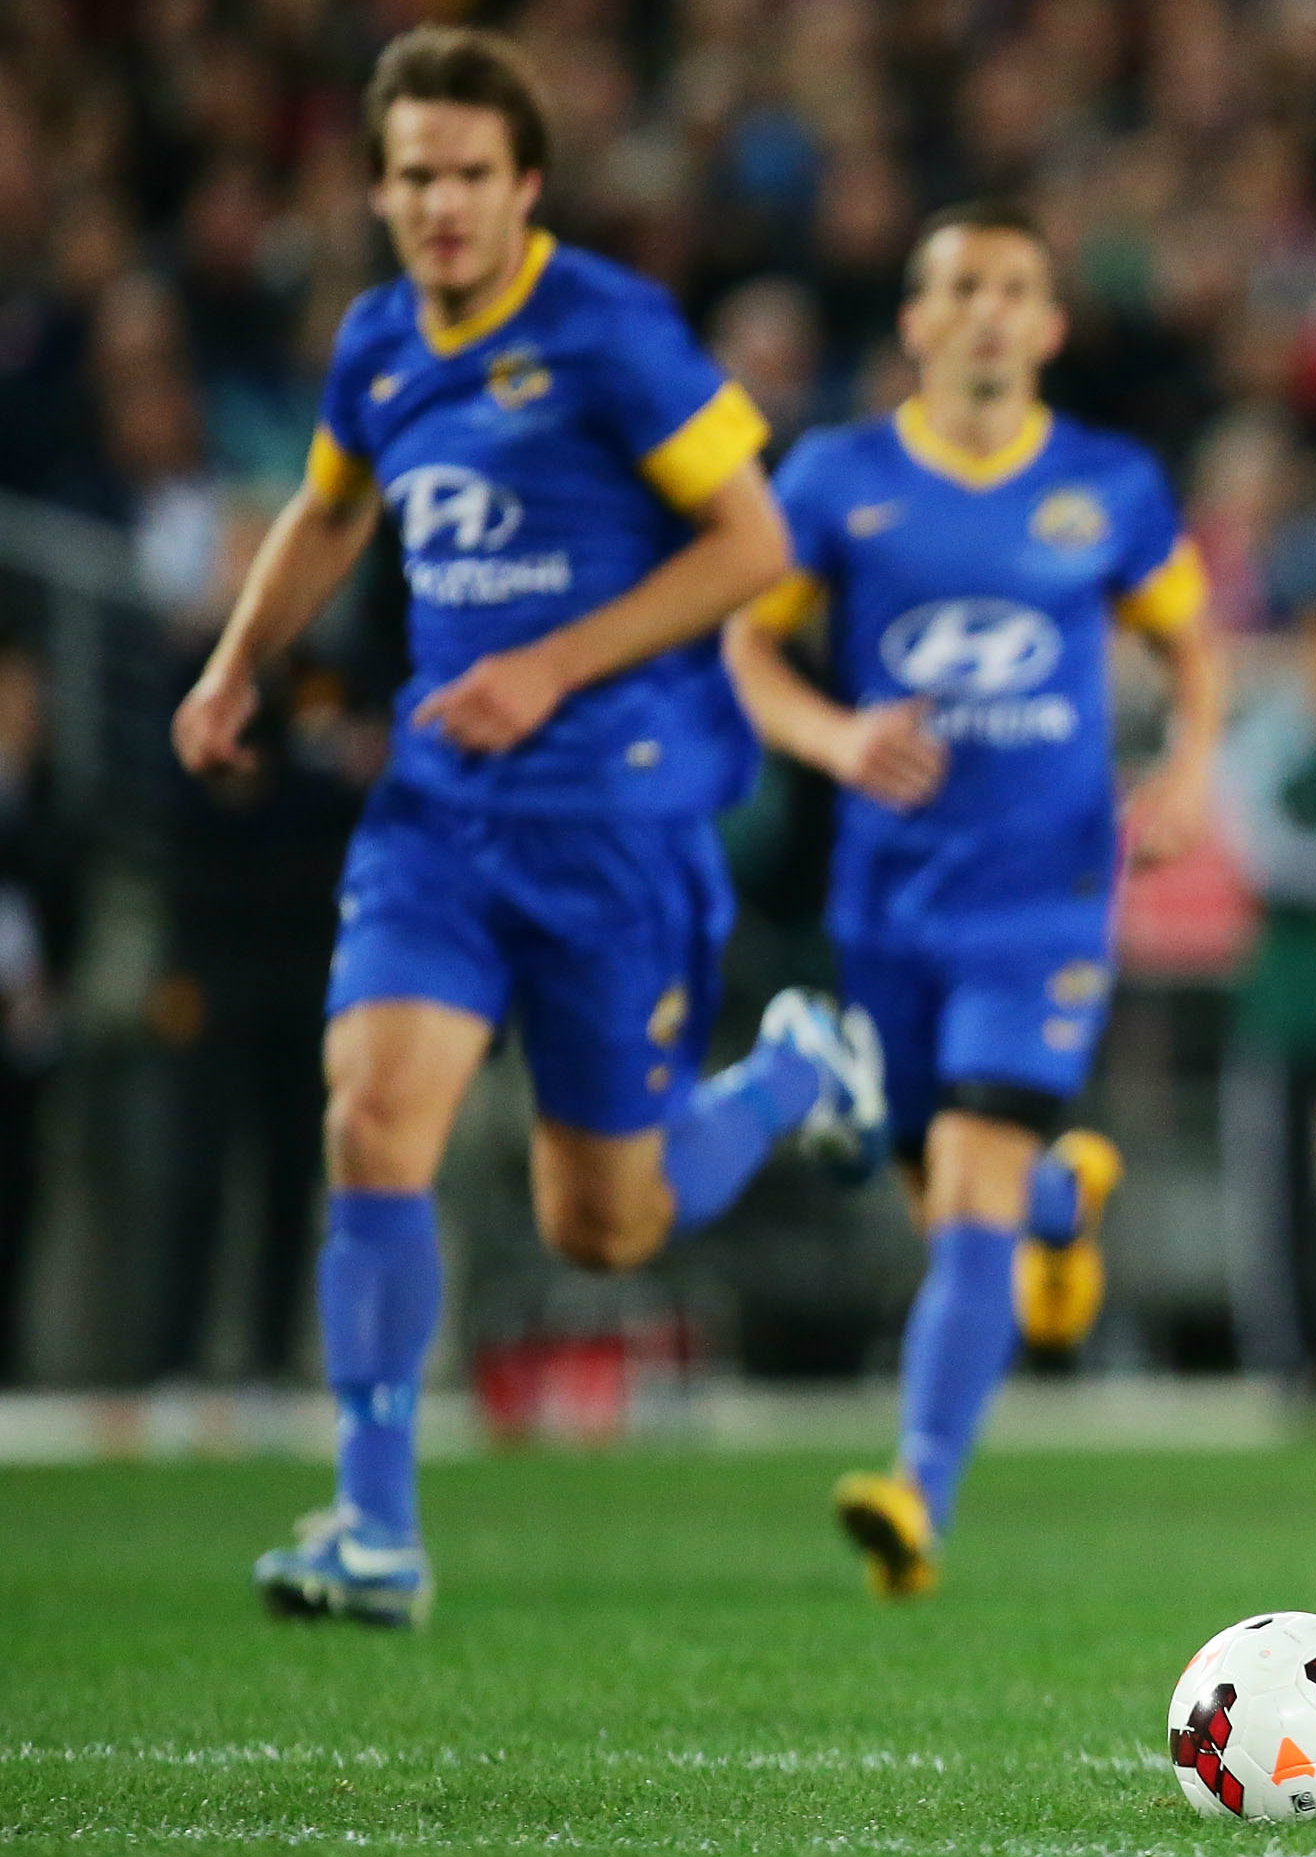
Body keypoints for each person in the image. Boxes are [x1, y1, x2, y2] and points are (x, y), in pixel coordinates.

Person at [171, 26, 887, 1628]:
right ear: (376, 184)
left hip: (615, 824)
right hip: (443, 812)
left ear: (526, 185)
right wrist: (237, 666)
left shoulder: (609, 331)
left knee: (605, 1220)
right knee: (375, 1110)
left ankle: (789, 1074)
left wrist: (550, 663)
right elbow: (332, 506)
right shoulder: (375, 344)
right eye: (413, 174)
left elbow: (754, 538)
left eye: (470, 175)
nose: (440, 203)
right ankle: (375, 1525)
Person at [724, 201, 1225, 1600]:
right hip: (888, 894)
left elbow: (1193, 651)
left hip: (1044, 889)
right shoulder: (833, 479)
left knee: (963, 1183)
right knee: (934, 1174)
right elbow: (745, 650)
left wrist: (1185, 774)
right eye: (962, 286)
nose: (990, 310)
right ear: (917, 321)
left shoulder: (1109, 483)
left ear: (1051, 323)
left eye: (1016, 285)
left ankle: (917, 1492)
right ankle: (1063, 1203)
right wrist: (831, 739)